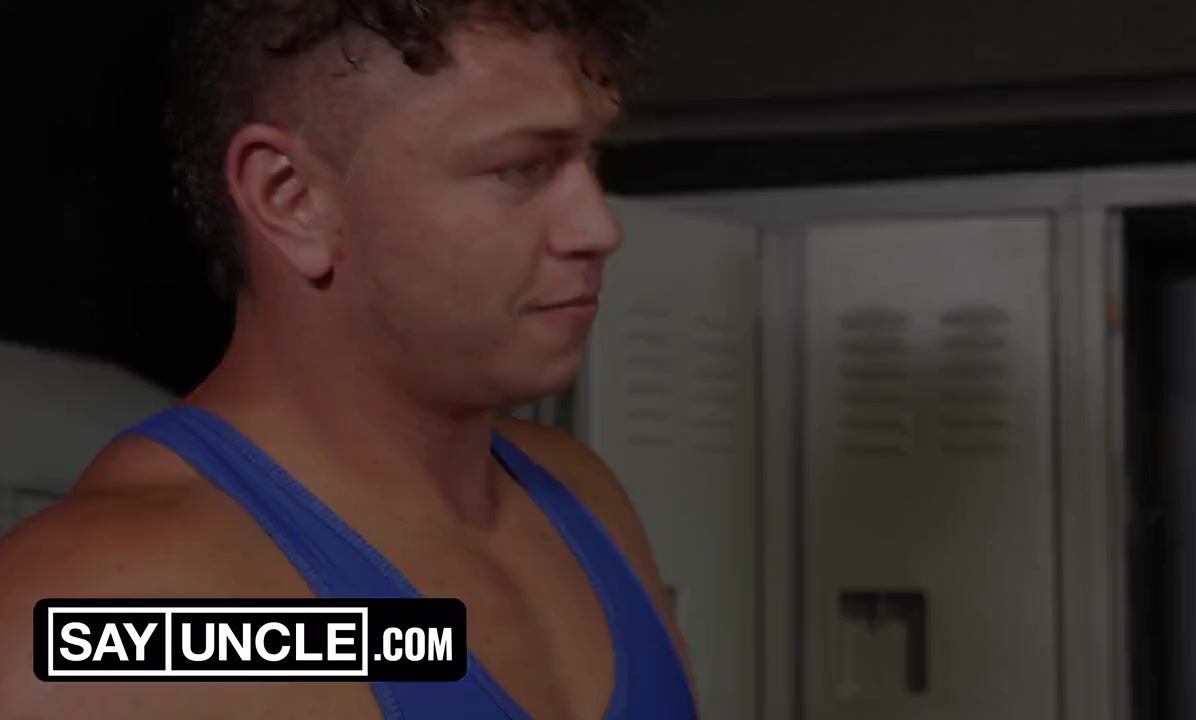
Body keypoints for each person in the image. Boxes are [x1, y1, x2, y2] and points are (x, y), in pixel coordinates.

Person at [0, 1, 697, 718]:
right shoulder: (106, 609)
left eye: (590, 159)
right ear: (291, 197)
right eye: (521, 167)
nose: (598, 227)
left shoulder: (583, 498)